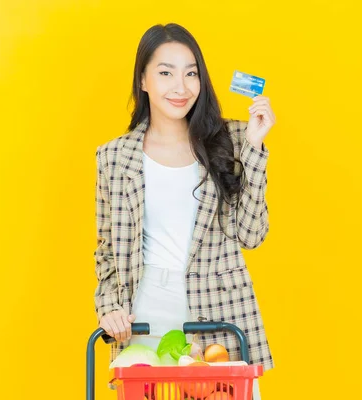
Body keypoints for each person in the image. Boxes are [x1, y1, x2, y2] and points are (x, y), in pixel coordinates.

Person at [93, 23, 275, 398]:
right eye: (165, 73)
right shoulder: (114, 156)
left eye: (191, 73)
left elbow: (252, 235)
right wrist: (109, 305)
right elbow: (107, 248)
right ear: (142, 80)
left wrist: (254, 148)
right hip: (145, 310)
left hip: (219, 302)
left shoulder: (235, 139)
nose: (181, 86)